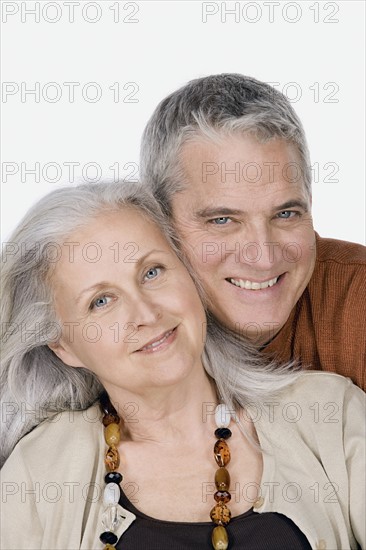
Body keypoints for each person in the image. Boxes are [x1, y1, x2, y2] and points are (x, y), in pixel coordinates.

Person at [0, 182, 364, 550]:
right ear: (63, 346)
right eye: (101, 301)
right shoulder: (35, 474)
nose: (146, 313)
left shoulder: (332, 416)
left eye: (152, 272)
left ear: (189, 274)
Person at [140, 73, 366, 390]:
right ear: (159, 221)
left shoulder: (358, 298)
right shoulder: (120, 320)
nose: (262, 257)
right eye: (223, 220)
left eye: (285, 214)